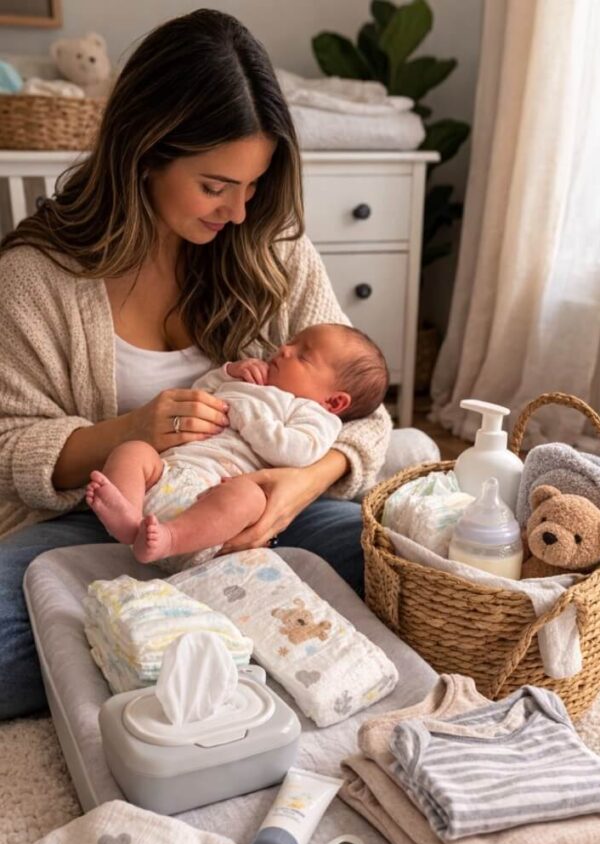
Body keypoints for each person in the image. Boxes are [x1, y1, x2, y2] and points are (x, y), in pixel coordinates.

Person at [0, 9, 437, 720]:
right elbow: (10, 444)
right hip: (105, 519)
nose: (238, 211)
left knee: (403, 579)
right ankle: (235, 640)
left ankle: (176, 646)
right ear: (144, 153)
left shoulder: (273, 252)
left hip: (256, 508)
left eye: (253, 185)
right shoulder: (36, 277)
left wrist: (301, 483)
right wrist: (130, 431)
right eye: (215, 185)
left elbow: (362, 415)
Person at [86, 323, 389, 567]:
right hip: (167, 476)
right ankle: (127, 520)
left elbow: (298, 452)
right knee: (133, 451)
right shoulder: (251, 382)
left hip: (215, 504)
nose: (284, 349)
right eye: (291, 342)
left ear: (334, 401)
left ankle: (169, 539)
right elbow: (198, 394)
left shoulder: (312, 415)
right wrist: (228, 374)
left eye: (302, 356)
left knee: (250, 498)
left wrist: (245, 412)